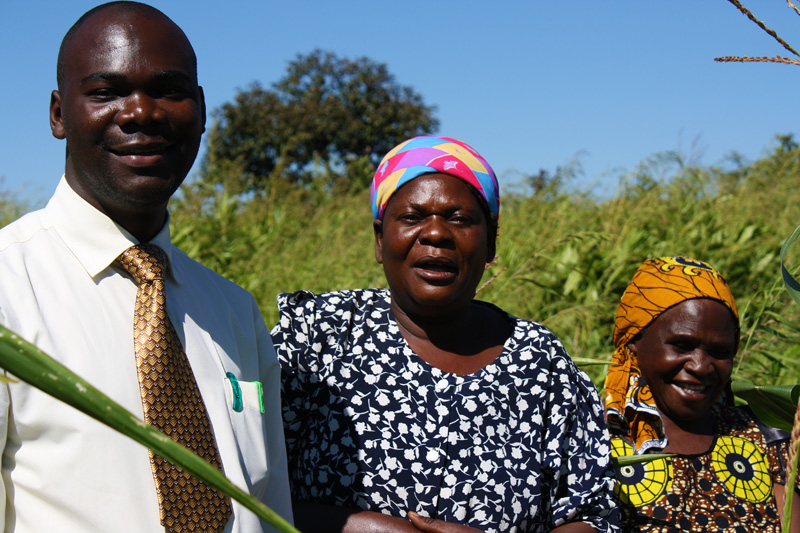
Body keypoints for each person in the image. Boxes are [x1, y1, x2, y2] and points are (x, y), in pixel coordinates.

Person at [0, 2, 292, 531]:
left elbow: (271, 511)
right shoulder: (7, 289)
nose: (142, 113)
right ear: (58, 114)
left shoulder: (233, 313)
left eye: (168, 90)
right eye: (106, 92)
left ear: (201, 110)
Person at [271, 136, 619, 533]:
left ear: (490, 242)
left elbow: (594, 516)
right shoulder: (320, 334)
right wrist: (361, 528)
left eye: (459, 218)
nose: (435, 233)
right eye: (412, 217)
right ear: (380, 240)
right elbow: (242, 479)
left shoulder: (541, 362)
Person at [604, 256, 800, 532]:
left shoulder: (767, 439)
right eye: (682, 345)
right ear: (633, 341)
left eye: (720, 352)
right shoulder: (593, 444)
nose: (701, 366)